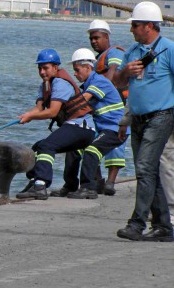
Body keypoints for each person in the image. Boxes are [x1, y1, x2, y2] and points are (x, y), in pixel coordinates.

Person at [114, 1, 174, 242]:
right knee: (150, 171)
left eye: (136, 25)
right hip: (138, 119)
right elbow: (118, 83)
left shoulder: (169, 50)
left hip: (161, 117)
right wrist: (125, 72)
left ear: (149, 26)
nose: (132, 30)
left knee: (144, 168)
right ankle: (163, 226)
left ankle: (137, 223)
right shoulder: (132, 52)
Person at [16, 49, 96, 200]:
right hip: (73, 127)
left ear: (55, 67)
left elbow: (52, 112)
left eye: (45, 68)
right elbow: (39, 108)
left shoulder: (61, 82)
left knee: (47, 146)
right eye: (39, 68)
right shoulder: (45, 85)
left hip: (82, 128)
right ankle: (34, 182)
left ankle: (41, 186)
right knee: (37, 147)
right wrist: (26, 115)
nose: (42, 72)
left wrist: (31, 116)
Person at [53, 48, 127, 199]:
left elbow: (83, 100)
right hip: (101, 130)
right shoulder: (88, 83)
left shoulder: (99, 82)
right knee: (74, 148)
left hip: (115, 129)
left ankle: (88, 188)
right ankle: (70, 185)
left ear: (88, 67)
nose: (74, 74)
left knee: (92, 151)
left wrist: (58, 108)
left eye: (77, 70)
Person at [87, 19, 127, 195]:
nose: (94, 41)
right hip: (101, 111)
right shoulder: (97, 61)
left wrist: (104, 87)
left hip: (117, 107)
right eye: (91, 39)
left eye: (97, 38)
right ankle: (98, 179)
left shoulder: (114, 52)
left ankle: (110, 182)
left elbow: (114, 68)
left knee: (116, 144)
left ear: (106, 36)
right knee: (93, 142)